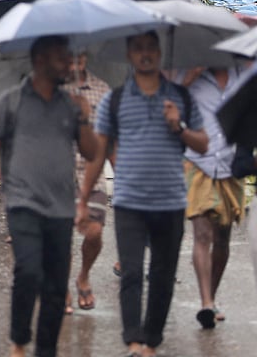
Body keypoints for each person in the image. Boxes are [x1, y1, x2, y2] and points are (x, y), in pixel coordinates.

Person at [0, 36, 98, 357]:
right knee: (29, 270)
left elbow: (90, 152)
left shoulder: (71, 104)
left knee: (56, 285)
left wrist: (85, 117)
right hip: (22, 202)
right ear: (40, 60)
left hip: (61, 206)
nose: (68, 64)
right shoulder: (11, 100)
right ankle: (19, 341)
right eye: (62, 58)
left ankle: (45, 349)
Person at [77, 31, 208, 357]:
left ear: (160, 54)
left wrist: (178, 127)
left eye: (151, 48)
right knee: (132, 272)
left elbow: (203, 143)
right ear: (129, 54)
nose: (145, 54)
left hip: (171, 202)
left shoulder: (182, 97)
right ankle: (133, 340)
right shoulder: (116, 99)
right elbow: (100, 151)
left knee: (162, 276)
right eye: (139, 49)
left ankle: (151, 342)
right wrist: (82, 199)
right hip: (130, 202)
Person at [179, 65, 245, 329]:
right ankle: (205, 302)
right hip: (197, 162)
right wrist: (187, 81)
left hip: (231, 164)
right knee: (202, 234)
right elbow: (167, 104)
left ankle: (212, 296)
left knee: (222, 238)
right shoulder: (192, 74)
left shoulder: (245, 77)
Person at [63, 52, 112, 314]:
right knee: (62, 237)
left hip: (91, 173)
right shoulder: (51, 87)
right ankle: (63, 287)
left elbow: (109, 136)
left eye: (79, 59)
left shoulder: (102, 90)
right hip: (57, 175)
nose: (74, 65)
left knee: (94, 231)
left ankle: (83, 275)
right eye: (69, 59)